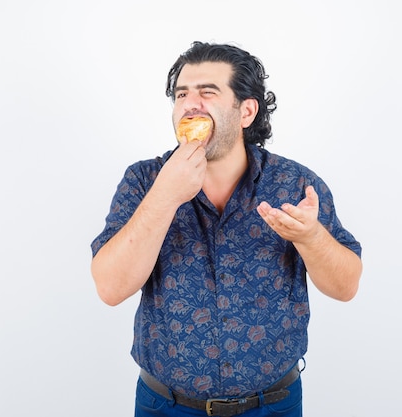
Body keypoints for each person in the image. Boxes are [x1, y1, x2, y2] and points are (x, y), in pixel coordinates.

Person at [90, 41, 363, 417]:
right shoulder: (144, 181)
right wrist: (165, 198)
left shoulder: (294, 183)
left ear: (246, 110)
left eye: (208, 92)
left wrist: (311, 238)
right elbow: (110, 288)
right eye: (182, 94)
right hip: (166, 405)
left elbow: (346, 287)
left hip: (273, 405)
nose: (190, 104)